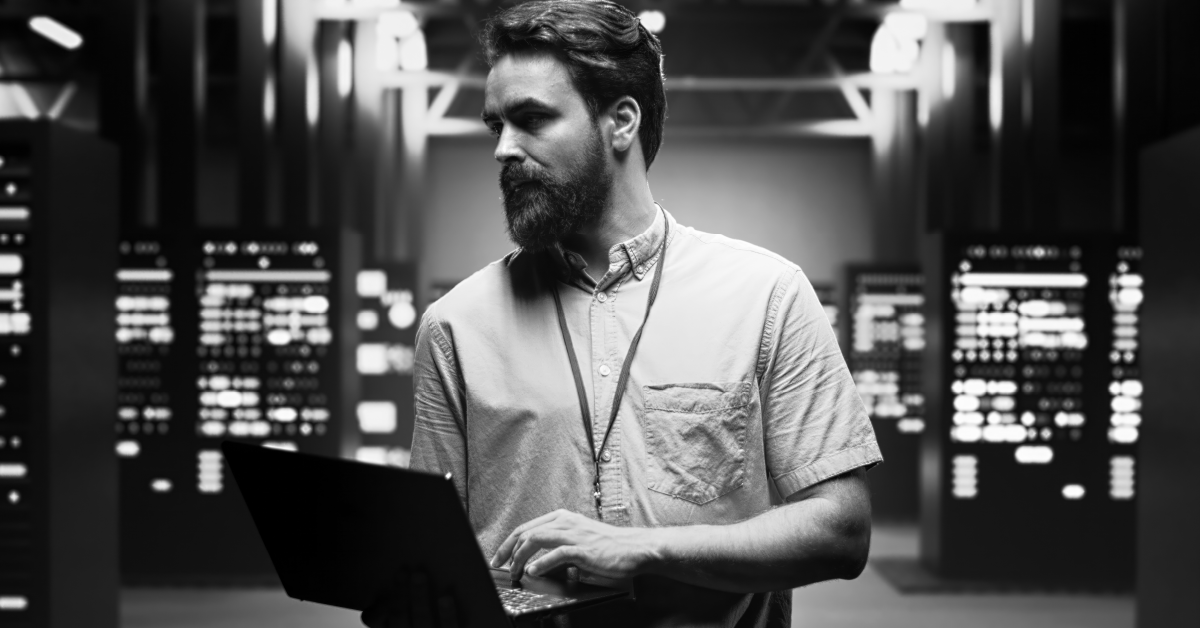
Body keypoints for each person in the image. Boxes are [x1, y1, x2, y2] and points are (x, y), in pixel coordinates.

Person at [372, 1, 883, 626]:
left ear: (620, 122)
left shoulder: (768, 296)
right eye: (495, 126)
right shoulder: (454, 325)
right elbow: (432, 554)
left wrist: (642, 548)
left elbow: (842, 531)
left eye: (532, 119)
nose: (504, 149)